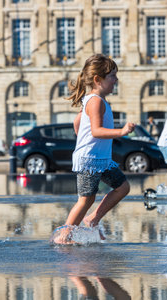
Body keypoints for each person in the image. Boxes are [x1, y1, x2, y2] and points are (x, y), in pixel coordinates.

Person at [53, 54, 135, 244]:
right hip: (90, 160)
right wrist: (121, 131)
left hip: (101, 159)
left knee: (123, 187)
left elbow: (77, 122)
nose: (116, 79)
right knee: (85, 200)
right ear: (98, 80)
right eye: (112, 76)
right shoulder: (95, 101)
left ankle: (92, 219)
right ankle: (64, 236)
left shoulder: (95, 100)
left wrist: (82, 137)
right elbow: (97, 131)